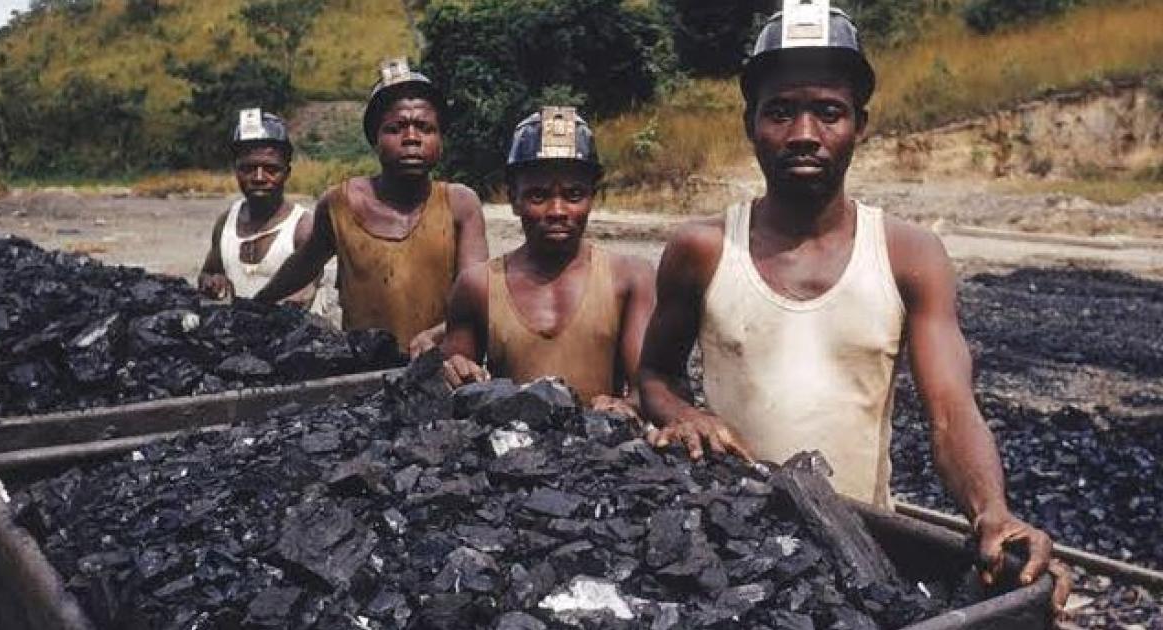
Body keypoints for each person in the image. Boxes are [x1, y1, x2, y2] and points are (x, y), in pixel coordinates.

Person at [636, 2, 1071, 618]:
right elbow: (654, 374)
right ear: (749, 123)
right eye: (781, 111)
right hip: (726, 548)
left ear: (860, 125)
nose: (805, 133)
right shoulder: (702, 250)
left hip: (860, 545)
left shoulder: (907, 255)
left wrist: (990, 511)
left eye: (829, 112)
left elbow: (950, 410)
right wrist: (684, 413)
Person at [254, 58, 487, 354]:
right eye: (396, 128)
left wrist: (438, 334)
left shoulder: (460, 203)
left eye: (425, 127)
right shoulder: (339, 204)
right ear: (375, 138)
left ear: (440, 140)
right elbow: (305, 262)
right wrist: (258, 303)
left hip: (441, 367)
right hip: (364, 375)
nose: (412, 138)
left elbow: (477, 293)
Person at [441, 106, 655, 415]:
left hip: (601, 450)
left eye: (573, 194)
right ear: (514, 198)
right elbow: (455, 392)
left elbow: (649, 388)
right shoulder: (478, 285)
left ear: (593, 197)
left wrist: (623, 408)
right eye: (538, 196)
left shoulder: (630, 278)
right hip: (514, 449)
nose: (557, 211)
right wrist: (455, 372)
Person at [198, 109, 318, 307]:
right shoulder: (225, 224)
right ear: (236, 170)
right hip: (239, 333)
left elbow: (303, 296)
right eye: (248, 168)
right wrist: (211, 281)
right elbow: (210, 271)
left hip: (296, 336)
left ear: (287, 172)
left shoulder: (303, 228)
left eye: (271, 169)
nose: (259, 178)